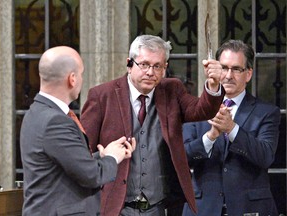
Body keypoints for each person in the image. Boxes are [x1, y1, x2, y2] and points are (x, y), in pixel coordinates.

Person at [80, 34, 225, 216]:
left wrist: (213, 85)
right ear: (129, 64)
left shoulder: (172, 90)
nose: (150, 72)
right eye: (144, 64)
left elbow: (201, 111)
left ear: (165, 68)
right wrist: (102, 156)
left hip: (159, 207)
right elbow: (82, 151)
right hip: (115, 208)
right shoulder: (102, 96)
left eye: (157, 66)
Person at [20, 46, 136, 216]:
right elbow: (91, 176)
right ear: (72, 79)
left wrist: (103, 156)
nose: (82, 79)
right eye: (81, 74)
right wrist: (112, 158)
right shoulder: (55, 121)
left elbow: (65, 163)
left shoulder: (36, 112)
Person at [182, 40, 280, 216]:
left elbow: (266, 156)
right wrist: (210, 137)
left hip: (250, 209)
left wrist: (232, 129)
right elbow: (182, 158)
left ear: (248, 74)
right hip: (204, 209)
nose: (228, 75)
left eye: (236, 69)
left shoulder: (267, 112)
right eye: (224, 68)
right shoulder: (196, 109)